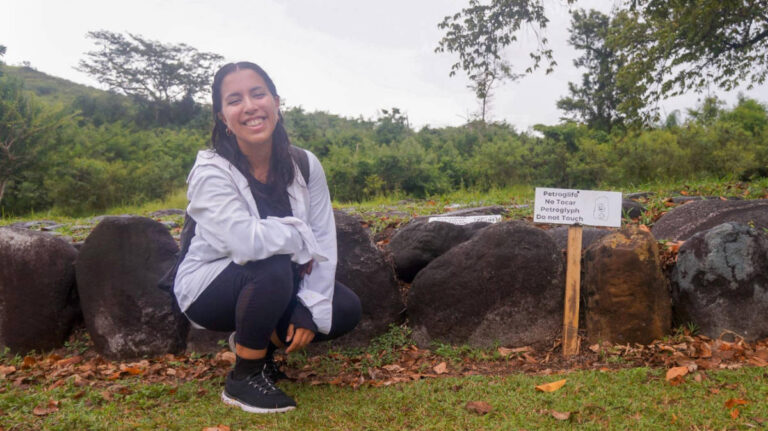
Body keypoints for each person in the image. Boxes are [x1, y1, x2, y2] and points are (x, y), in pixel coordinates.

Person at [173, 61, 361, 413]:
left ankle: (254, 341)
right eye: (234, 99)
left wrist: (309, 305)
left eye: (258, 94)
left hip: (273, 280)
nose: (249, 106)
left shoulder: (304, 164)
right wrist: (300, 237)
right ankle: (243, 378)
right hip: (209, 285)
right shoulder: (211, 171)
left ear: (276, 102)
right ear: (222, 116)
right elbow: (248, 244)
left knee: (343, 307)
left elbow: (324, 240)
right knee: (271, 264)